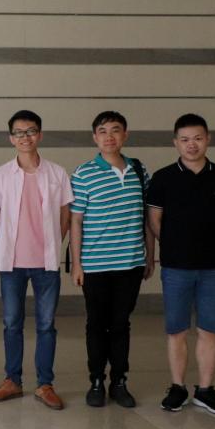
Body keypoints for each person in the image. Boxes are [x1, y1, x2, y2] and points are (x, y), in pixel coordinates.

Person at [148, 113, 215, 416]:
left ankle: (205, 390)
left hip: (213, 267)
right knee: (176, 330)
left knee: (209, 329)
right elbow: (154, 220)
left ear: (208, 139)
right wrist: (175, 244)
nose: (192, 145)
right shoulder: (163, 178)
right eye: (185, 139)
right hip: (176, 267)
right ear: (176, 142)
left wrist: (210, 243)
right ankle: (177, 388)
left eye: (198, 138)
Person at [0, 110, 73, 410]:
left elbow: (65, 216)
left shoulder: (57, 173)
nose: (25, 137)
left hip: (46, 264)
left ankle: (45, 384)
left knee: (46, 325)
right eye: (19, 132)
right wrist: (6, 243)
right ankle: (12, 380)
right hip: (11, 264)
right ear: (11, 138)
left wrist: (53, 243)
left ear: (40, 135)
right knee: (12, 323)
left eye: (31, 131)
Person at [69, 111, 153, 409]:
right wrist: (77, 264)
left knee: (120, 324)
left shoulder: (139, 170)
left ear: (125, 135)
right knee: (96, 324)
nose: (109, 136)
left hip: (131, 264)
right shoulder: (83, 174)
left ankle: (119, 381)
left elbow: (147, 217)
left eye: (115, 130)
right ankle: (96, 381)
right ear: (94, 137)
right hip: (95, 265)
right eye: (102, 131)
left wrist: (150, 256)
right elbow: (76, 221)